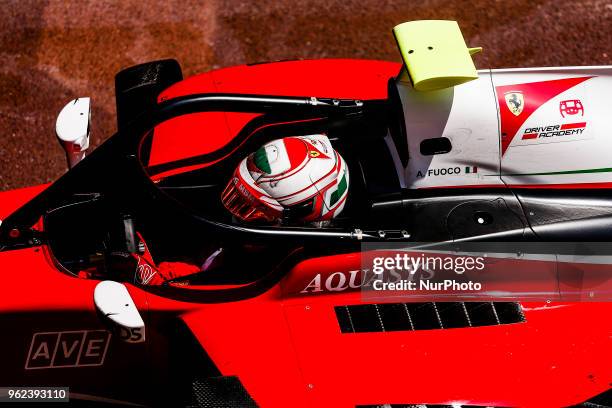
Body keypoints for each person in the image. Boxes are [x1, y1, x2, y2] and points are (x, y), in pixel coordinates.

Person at [137, 134, 350, 285]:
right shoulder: (242, 241)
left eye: (256, 214)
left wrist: (139, 267)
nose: (235, 217)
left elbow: (172, 288)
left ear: (296, 222)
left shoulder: (266, 275)